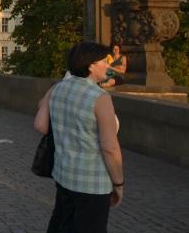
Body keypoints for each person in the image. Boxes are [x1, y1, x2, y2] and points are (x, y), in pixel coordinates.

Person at [35, 42, 124, 233]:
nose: (107, 66)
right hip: (92, 183)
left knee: (62, 225)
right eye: (103, 61)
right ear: (90, 65)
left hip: (64, 175)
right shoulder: (100, 98)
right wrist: (118, 183)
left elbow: (41, 125)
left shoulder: (59, 88)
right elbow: (110, 148)